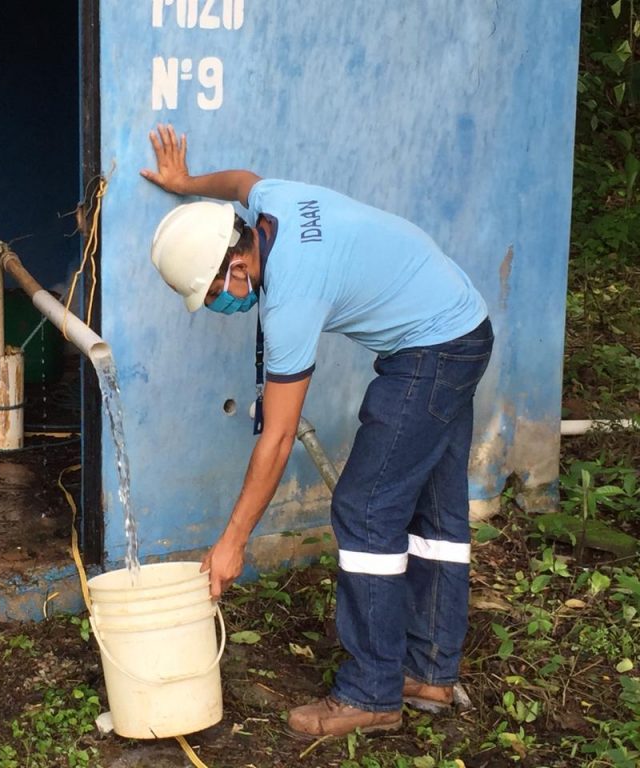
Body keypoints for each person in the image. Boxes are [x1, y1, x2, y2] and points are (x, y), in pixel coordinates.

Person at [141, 124, 493, 738]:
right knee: (434, 508)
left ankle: (372, 691)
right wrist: (186, 184)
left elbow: (276, 439)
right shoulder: (270, 204)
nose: (220, 304)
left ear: (236, 266)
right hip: (462, 322)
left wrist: (232, 541)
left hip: (431, 350)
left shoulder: (292, 300)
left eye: (213, 292)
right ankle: (430, 671)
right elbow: (240, 180)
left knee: (364, 509)